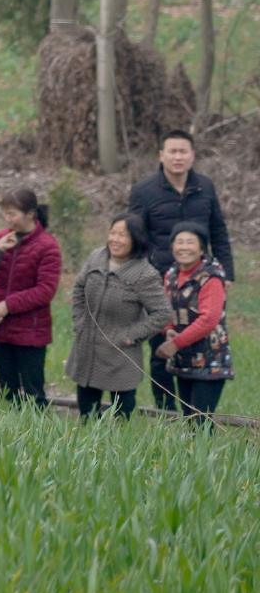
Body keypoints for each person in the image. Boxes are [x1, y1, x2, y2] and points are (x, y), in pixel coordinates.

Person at [128, 130, 235, 408]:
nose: (178, 157)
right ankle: (166, 409)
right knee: (161, 346)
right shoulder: (144, 190)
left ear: (192, 155)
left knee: (203, 336)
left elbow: (218, 231)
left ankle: (197, 407)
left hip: (200, 278)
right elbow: (135, 237)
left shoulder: (205, 186)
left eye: (183, 151)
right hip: (159, 280)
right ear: (161, 155)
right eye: (172, 151)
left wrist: (228, 273)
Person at [65, 214, 174, 421]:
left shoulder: (144, 274)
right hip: (87, 346)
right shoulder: (97, 256)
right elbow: (79, 287)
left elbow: (162, 313)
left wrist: (130, 336)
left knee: (122, 415)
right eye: (112, 233)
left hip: (120, 354)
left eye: (122, 235)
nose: (115, 239)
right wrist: (80, 321)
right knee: (87, 412)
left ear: (135, 238)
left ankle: (120, 450)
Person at [0, 187, 61, 407]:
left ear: (30, 214)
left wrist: (7, 306)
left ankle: (37, 435)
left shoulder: (47, 247)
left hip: (31, 330)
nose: (7, 219)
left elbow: (45, 290)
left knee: (33, 392)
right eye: (5, 213)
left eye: (12, 214)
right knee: (7, 390)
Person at [156, 224, 234, 423]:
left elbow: (208, 320)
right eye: (179, 242)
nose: (184, 247)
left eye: (190, 242)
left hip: (209, 361)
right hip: (183, 360)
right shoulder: (171, 274)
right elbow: (166, 308)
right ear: (172, 247)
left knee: (200, 422)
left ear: (201, 249)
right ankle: (191, 454)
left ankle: (204, 455)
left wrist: (175, 343)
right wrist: (168, 330)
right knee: (189, 419)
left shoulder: (211, 276)